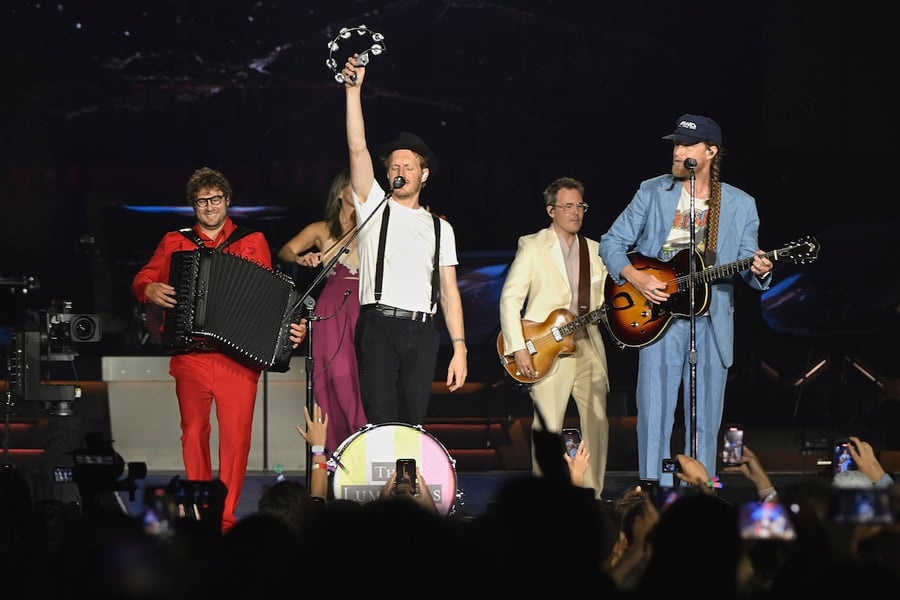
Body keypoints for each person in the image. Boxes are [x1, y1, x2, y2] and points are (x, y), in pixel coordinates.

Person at [599, 114, 773, 487]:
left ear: (710, 152)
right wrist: (636, 277)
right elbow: (612, 243)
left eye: (686, 145)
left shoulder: (741, 205)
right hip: (657, 316)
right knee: (655, 411)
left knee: (706, 415)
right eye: (675, 145)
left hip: (711, 320)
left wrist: (758, 270)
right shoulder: (651, 191)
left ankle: (701, 491)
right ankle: (652, 490)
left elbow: (746, 262)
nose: (678, 151)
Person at [132, 166, 308, 533]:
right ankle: (199, 510)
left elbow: (269, 295)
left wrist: (294, 326)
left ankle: (224, 517)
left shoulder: (252, 240)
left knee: (236, 438)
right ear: (192, 205)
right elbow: (144, 277)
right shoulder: (174, 240)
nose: (209, 207)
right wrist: (148, 289)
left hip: (237, 359)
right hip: (190, 355)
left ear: (227, 201)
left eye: (215, 199)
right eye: (201, 201)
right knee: (193, 431)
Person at [340, 54, 468, 426]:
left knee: (413, 422)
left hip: (423, 330)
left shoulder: (440, 227)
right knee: (382, 420)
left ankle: (408, 485)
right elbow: (357, 148)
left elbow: (450, 291)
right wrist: (353, 91)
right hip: (379, 325)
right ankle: (384, 484)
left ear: (423, 174)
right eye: (394, 166)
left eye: (408, 166)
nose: (400, 171)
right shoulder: (373, 205)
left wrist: (458, 348)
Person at [498, 176, 610, 497]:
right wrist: (518, 347)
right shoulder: (533, 245)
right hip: (545, 347)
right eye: (568, 206)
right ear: (551, 210)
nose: (576, 212)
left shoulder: (596, 251)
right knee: (547, 426)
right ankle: (547, 499)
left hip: (588, 342)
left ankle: (592, 497)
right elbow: (510, 299)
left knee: (597, 423)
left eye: (580, 206)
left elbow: (603, 301)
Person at [278, 168, 366, 449]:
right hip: (330, 310)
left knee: (360, 379)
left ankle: (363, 445)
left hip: (364, 308)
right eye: (354, 186)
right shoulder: (321, 229)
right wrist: (302, 258)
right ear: (340, 191)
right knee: (332, 378)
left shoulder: (371, 226)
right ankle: (331, 454)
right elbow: (286, 250)